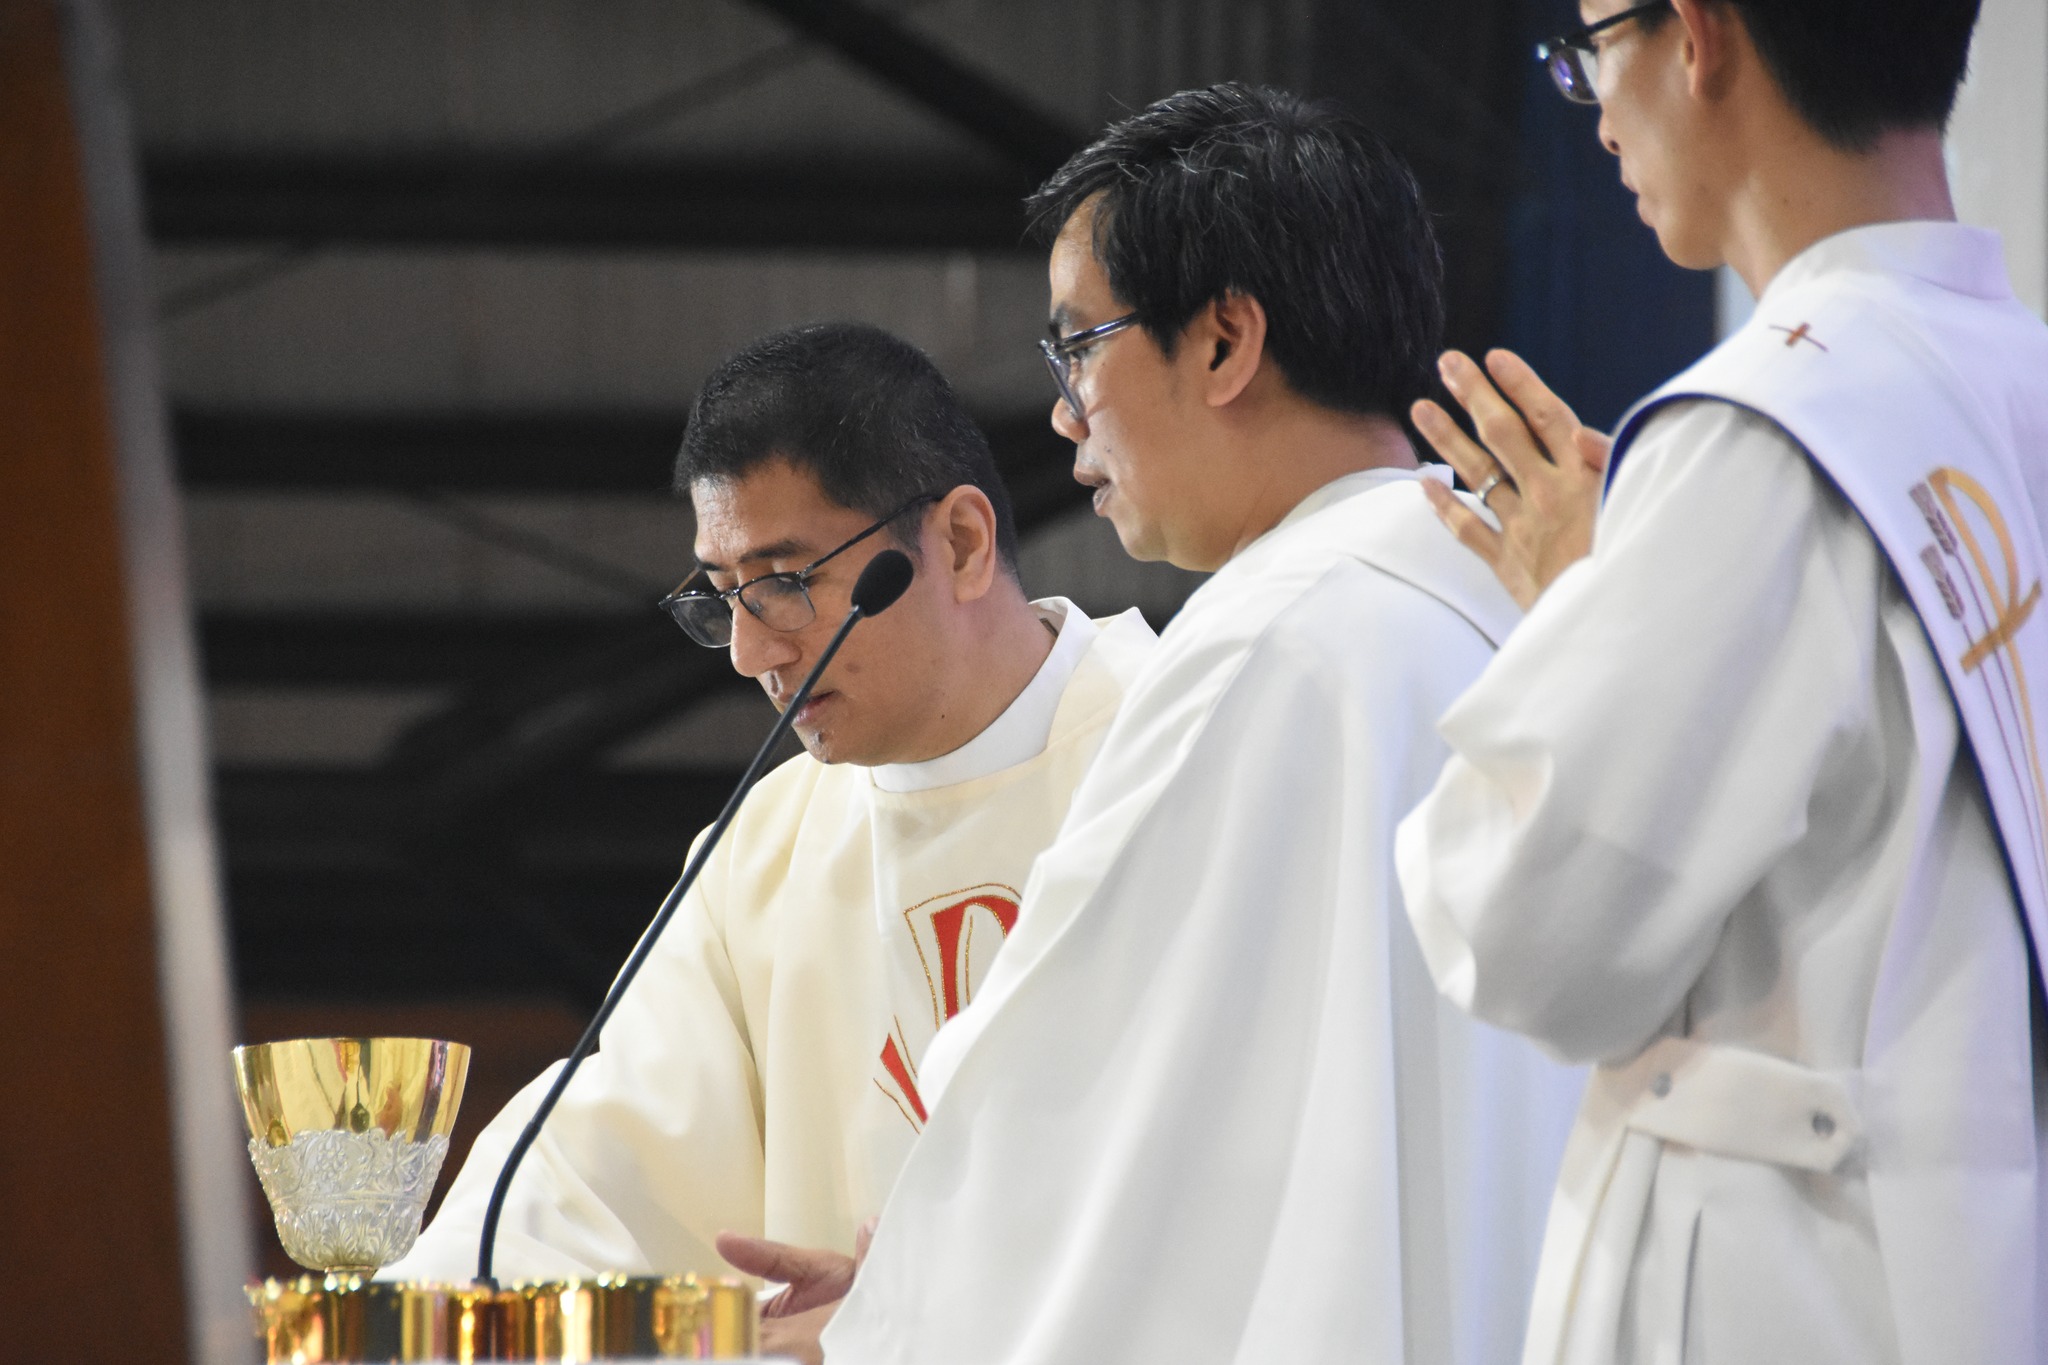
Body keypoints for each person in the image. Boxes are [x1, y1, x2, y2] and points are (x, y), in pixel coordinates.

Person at [746, 84, 1584, 1365]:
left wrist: (903, 1312)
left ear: (1223, 342)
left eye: (1078, 345)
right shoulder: (1508, 603)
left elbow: (1069, 1095)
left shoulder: (1262, 649)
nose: (1063, 414)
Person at [1393, 1, 2048, 1362]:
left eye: (1591, 53)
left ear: (1694, 36)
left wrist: (1586, 595)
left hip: (1794, 1270)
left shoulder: (1764, 436)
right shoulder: (2019, 382)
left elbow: (1523, 926)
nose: (1600, 109)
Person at [383, 324, 1156, 1335]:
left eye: (787, 582)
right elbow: (597, 1170)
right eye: (721, 597)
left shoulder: (1175, 756)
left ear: (959, 543)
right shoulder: (767, 846)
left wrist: (918, 1316)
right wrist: (405, 1323)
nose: (751, 653)